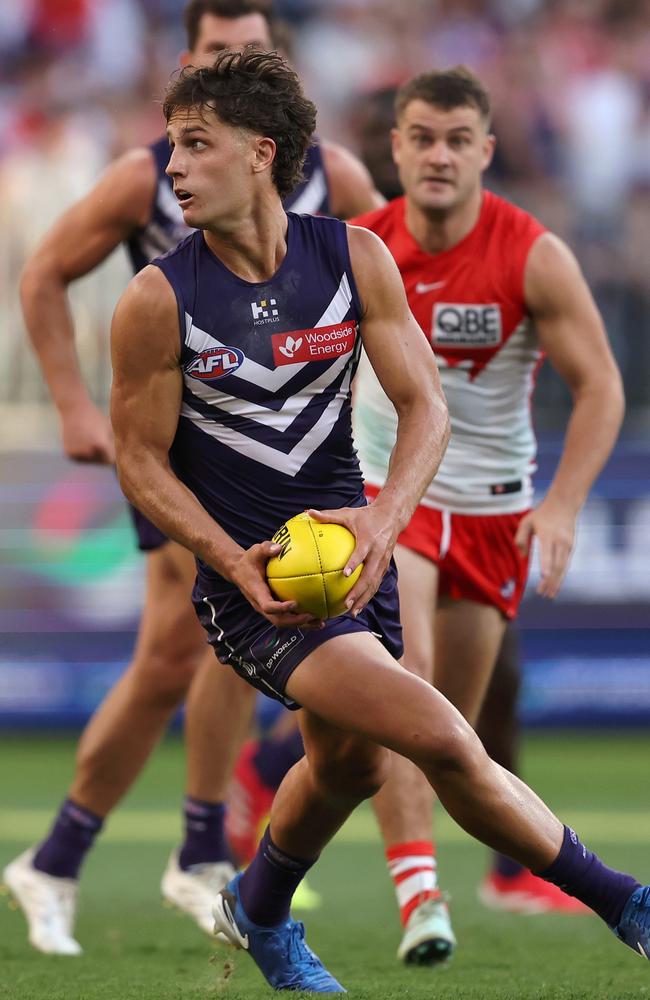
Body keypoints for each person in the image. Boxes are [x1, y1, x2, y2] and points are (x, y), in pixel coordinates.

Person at [111, 47, 649, 994]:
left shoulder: (353, 257)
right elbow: (140, 461)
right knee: (442, 738)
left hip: (360, 562)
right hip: (262, 592)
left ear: (259, 155)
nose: (174, 169)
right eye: (172, 148)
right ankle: (629, 906)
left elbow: (424, 406)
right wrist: (232, 562)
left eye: (195, 146)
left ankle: (259, 909)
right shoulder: (158, 300)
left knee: (349, 766)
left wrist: (381, 520)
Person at [2, 0, 382, 957]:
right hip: (186, 451)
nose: (227, 63)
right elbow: (44, 272)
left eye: (245, 53)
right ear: (186, 59)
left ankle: (78, 858)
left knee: (184, 655)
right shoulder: (147, 175)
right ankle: (195, 853)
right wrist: (76, 407)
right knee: (186, 648)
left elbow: (394, 280)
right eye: (214, 51)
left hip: (295, 452)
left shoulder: (334, 178)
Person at [350, 65, 625, 963]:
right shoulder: (359, 247)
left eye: (456, 140)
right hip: (392, 497)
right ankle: (421, 900)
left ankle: (263, 848)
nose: (437, 155)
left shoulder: (532, 253)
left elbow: (601, 387)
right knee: (409, 675)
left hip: (495, 511)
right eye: (421, 137)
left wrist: (563, 505)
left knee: (445, 738)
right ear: (395, 147)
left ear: (486, 152)